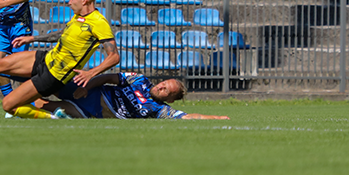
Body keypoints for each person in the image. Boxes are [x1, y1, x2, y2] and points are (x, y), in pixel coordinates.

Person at [40, 72, 231, 120]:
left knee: (44, 106)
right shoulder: (139, 79)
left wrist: (216, 117)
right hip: (91, 92)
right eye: (164, 84)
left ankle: (13, 108)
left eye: (167, 90)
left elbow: (188, 117)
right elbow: (109, 77)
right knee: (46, 83)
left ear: (170, 99)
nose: (162, 87)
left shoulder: (160, 110)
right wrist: (87, 86)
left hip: (90, 111)